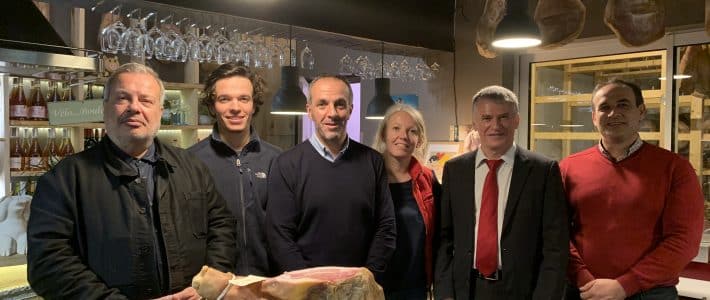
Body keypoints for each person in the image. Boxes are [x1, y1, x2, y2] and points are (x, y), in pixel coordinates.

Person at [27, 63, 236, 299]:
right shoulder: (64, 179)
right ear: (104, 108)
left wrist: (208, 283)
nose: (134, 107)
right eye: (122, 98)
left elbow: (222, 226)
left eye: (146, 100)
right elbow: (47, 265)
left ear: (160, 110)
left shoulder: (192, 167)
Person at [560, 79, 704, 300]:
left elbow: (683, 240)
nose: (613, 113)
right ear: (593, 117)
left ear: (641, 111)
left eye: (623, 105)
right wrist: (584, 279)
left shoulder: (675, 168)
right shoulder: (569, 167)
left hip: (649, 293)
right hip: (583, 291)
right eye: (604, 107)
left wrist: (626, 285)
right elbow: (556, 233)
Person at [434, 85, 568, 300]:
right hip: (467, 290)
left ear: (516, 120)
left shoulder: (543, 171)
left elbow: (556, 247)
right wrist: (445, 293)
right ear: (476, 123)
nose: (495, 125)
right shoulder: (455, 169)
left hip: (523, 291)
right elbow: (445, 239)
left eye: (504, 117)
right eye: (486, 118)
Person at [266, 75, 396, 280]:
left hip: (359, 290)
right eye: (322, 104)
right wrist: (310, 286)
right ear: (309, 111)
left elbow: (385, 227)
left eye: (340, 105)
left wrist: (366, 279)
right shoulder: (286, 164)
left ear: (350, 110)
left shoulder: (373, 162)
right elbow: (280, 237)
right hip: (305, 292)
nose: (332, 113)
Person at [189, 62, 281, 276]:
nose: (235, 107)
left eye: (243, 98)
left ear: (254, 104)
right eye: (224, 99)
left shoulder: (278, 160)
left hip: (268, 284)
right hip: (215, 287)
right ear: (212, 106)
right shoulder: (190, 162)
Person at [372, 104, 442, 299]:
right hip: (374, 286)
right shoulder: (366, 175)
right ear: (384, 134)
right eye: (396, 128)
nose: (403, 136)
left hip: (415, 287)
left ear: (419, 140)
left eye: (412, 131)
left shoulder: (428, 179)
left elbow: (441, 234)